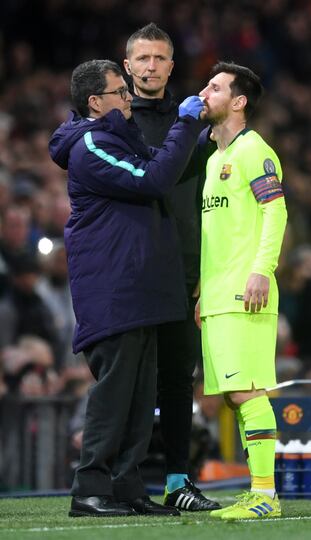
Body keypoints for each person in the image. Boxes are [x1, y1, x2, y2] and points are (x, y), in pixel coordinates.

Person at [48, 59, 205, 517]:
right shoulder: (91, 143)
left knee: (141, 396)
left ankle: (128, 488)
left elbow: (162, 169)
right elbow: (155, 180)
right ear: (95, 102)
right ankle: (89, 489)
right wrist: (184, 122)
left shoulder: (117, 139)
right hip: (113, 290)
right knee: (115, 394)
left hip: (139, 289)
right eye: (119, 92)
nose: (128, 98)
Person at [124, 23, 220, 511]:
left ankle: (178, 482)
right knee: (134, 381)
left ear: (171, 66)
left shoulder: (196, 126)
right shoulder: (115, 124)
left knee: (179, 380)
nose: (151, 66)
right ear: (128, 66)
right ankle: (128, 480)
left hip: (184, 270)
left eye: (160, 58)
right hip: (137, 273)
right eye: (143, 58)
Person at [195, 62, 288, 520]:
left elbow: (276, 211)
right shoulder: (214, 160)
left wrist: (261, 271)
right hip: (218, 296)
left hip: (245, 292)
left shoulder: (254, 150)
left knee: (249, 392)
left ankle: (266, 494)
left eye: (214, 87)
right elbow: (220, 236)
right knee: (235, 396)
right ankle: (259, 489)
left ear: (238, 101)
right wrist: (202, 295)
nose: (203, 93)